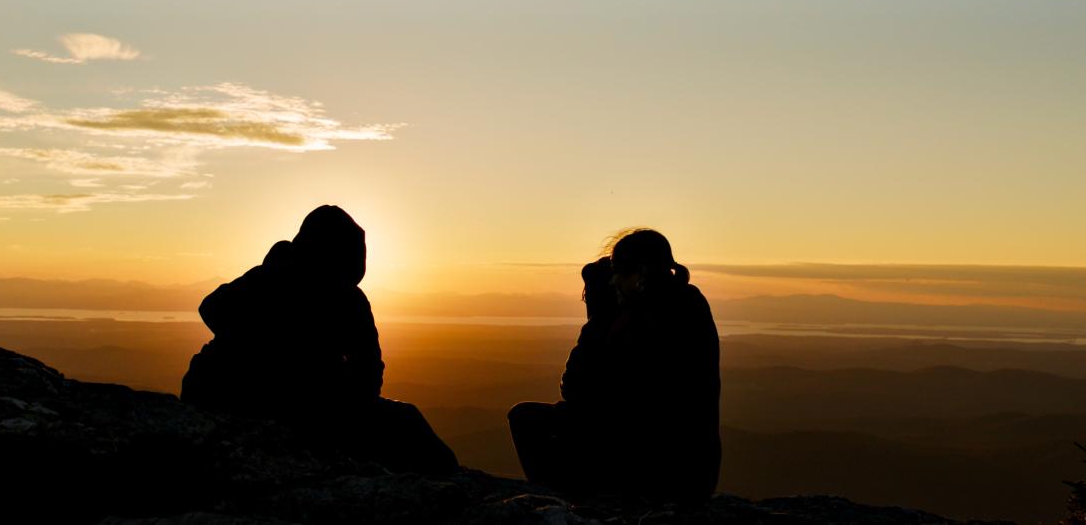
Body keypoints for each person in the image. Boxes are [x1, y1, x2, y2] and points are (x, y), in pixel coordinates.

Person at [181, 205, 458, 474]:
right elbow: (212, 309)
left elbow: (369, 370)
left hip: (270, 399)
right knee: (407, 424)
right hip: (266, 401)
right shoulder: (279, 280)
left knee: (406, 422)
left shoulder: (334, 295)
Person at [508, 228, 720, 499]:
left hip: (653, 474)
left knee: (524, 417)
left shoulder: (642, 319)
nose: (613, 282)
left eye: (618, 272)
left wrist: (598, 320)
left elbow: (577, 392)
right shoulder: (689, 303)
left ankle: (561, 503)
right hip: (694, 476)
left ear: (641, 273)